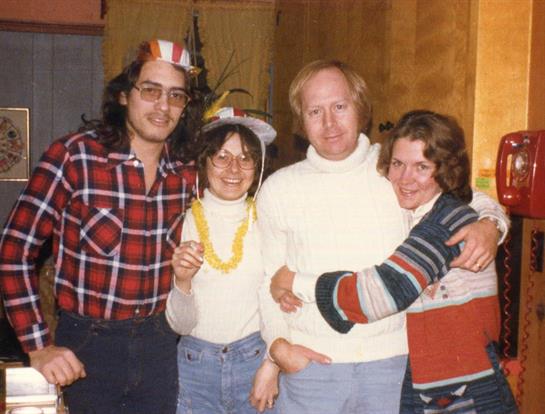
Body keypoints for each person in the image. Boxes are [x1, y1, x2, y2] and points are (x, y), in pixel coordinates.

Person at [256, 60, 509, 413]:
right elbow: (267, 280)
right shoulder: (278, 189)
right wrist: (278, 349)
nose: (329, 123)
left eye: (339, 106)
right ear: (301, 120)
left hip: (395, 369)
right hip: (310, 370)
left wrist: (491, 223)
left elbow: (456, 196)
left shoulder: (391, 168)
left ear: (360, 107)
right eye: (315, 111)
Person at [0, 39, 200, 413]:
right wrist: (38, 346)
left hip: (161, 346)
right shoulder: (74, 156)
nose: (163, 106)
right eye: (151, 90)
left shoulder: (187, 173)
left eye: (176, 96)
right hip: (87, 346)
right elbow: (13, 250)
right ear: (124, 95)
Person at [166, 107, 280, 414]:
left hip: (256, 363)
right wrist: (182, 280)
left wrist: (272, 364)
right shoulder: (181, 222)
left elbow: (283, 304)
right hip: (194, 368)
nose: (234, 168)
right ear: (205, 161)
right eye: (222, 156)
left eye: (245, 158)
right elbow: (180, 325)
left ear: (257, 167)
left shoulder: (269, 220)